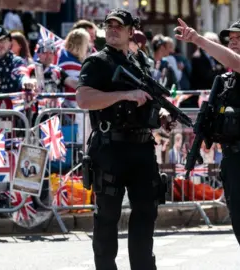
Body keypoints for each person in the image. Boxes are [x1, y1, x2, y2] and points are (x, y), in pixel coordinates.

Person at [175, 18, 240, 270]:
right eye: (230, 38)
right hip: (234, 161)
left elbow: (235, 61)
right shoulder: (229, 79)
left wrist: (198, 40)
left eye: (239, 37)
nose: (233, 42)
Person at [76, 8, 175, 270]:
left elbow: (151, 100)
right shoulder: (97, 62)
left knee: (146, 212)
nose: (112, 29)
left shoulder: (140, 62)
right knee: (107, 216)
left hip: (142, 148)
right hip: (110, 148)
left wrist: (163, 114)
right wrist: (124, 95)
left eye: (119, 26)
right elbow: (83, 99)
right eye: (108, 25)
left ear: (132, 31)